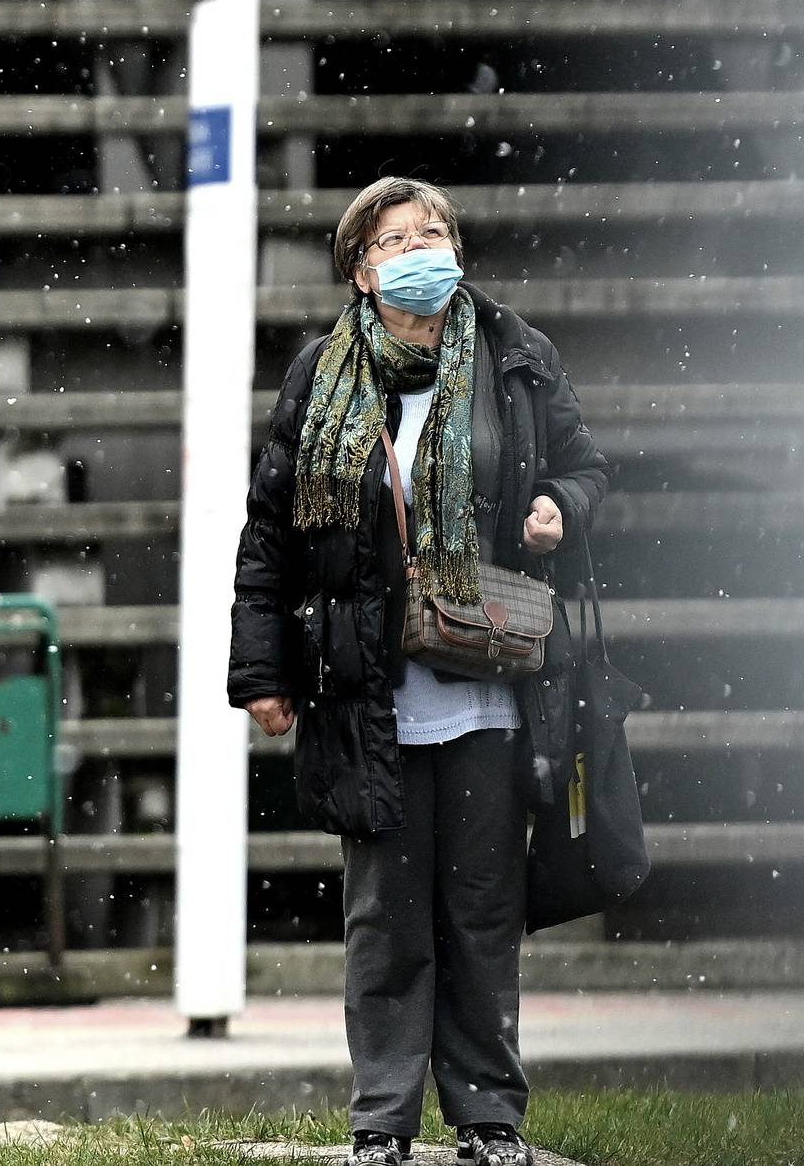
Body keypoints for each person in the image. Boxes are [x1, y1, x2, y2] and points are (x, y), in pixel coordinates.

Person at [227, 178, 611, 1166]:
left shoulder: (515, 357)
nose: (420, 248)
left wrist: (560, 505)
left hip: (492, 681)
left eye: (433, 231)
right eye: (396, 239)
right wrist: (262, 671)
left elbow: (585, 462)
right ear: (360, 268)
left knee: (481, 908)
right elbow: (270, 536)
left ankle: (490, 1118)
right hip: (368, 689)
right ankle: (383, 1122)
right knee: (386, 919)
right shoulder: (321, 375)